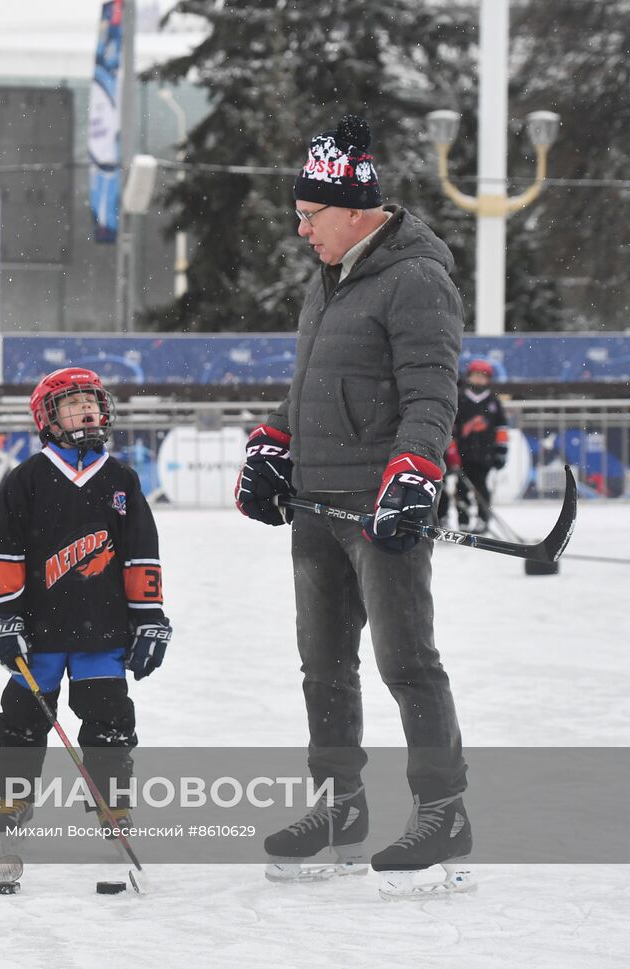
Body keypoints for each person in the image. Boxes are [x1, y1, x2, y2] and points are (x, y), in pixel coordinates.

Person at [234, 115, 472, 898]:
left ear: (355, 208)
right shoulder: (330, 274)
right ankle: (340, 808)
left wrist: (414, 471)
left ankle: (443, 810)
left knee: (407, 664)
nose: (301, 231)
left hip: (379, 510)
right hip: (317, 509)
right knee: (324, 668)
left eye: (310, 216)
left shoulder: (416, 277)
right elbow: (312, 379)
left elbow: (432, 390)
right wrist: (275, 437)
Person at [0, 367, 172, 835]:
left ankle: (111, 802)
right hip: (38, 632)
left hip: (102, 630)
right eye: (72, 404)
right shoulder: (27, 479)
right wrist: (7, 619)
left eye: (91, 401)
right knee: (22, 720)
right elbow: (1, 551)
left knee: (109, 718)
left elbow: (141, 554)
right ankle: (14, 796)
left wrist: (149, 618)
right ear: (47, 418)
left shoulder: (121, 480)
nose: (87, 409)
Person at [452, 359, 510, 533]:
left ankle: (482, 519)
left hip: (485, 455)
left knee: (482, 488)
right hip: (463, 454)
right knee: (461, 488)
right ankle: (463, 519)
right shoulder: (460, 398)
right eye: (475, 375)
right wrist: (452, 448)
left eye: (482, 376)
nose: (479, 380)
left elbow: (501, 429)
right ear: (469, 376)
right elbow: (453, 428)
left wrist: (501, 451)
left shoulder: (493, 402)